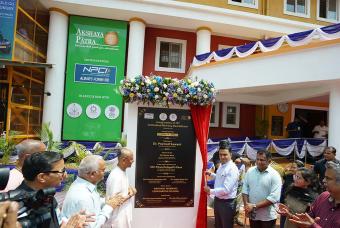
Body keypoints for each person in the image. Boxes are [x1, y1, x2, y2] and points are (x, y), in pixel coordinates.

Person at [61, 155, 125, 228]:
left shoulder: (81, 185)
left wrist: (107, 201)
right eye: (103, 170)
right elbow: (94, 226)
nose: (105, 172)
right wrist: (109, 207)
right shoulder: (84, 196)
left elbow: (94, 203)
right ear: (92, 174)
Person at [288, 161, 340, 227]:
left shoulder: (313, 195)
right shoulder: (323, 197)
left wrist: (313, 225)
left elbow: (312, 224)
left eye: (328, 178)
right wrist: (291, 215)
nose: (323, 180)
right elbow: (309, 219)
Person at [242, 149, 282, 228]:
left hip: (267, 216)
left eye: (262, 160)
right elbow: (245, 189)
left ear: (269, 161)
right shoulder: (250, 171)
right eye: (257, 159)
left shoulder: (275, 175)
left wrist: (253, 206)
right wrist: (247, 205)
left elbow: (274, 198)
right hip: (253, 214)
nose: (259, 162)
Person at [204, 145, 239, 228]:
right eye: (220, 155)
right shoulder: (222, 166)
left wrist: (210, 191)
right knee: (218, 224)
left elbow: (226, 190)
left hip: (227, 204)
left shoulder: (232, 169)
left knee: (226, 225)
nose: (222, 157)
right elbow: (221, 178)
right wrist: (211, 174)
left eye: (225, 154)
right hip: (218, 201)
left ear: (230, 154)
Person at [106, 148, 137, 228]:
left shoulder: (121, 172)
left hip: (122, 217)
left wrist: (129, 189)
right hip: (117, 220)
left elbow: (122, 191)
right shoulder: (116, 175)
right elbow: (114, 200)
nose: (133, 161)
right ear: (124, 160)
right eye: (131, 159)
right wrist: (131, 194)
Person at [279, 160, 305, 228]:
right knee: (283, 224)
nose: (291, 169)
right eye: (291, 167)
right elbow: (283, 189)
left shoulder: (305, 179)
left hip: (297, 209)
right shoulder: (288, 176)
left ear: (300, 169)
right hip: (285, 206)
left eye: (294, 167)